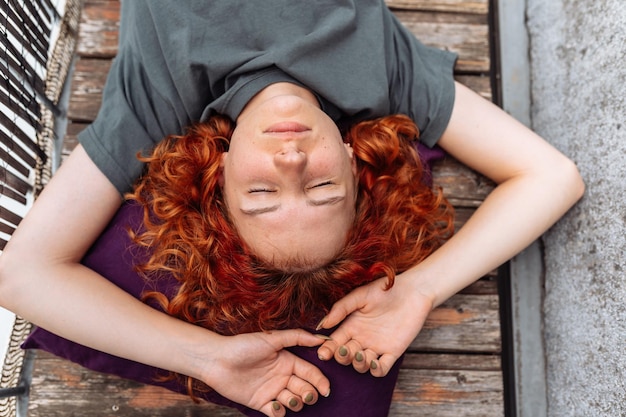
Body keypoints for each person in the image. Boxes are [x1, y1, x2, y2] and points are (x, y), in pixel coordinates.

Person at [0, 1, 585, 416]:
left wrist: (208, 359)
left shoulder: (158, 103)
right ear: (356, 163)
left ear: (220, 173)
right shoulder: (384, 78)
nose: (290, 161)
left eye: (261, 195)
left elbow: (22, 273)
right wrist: (417, 290)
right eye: (325, 189)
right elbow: (553, 177)